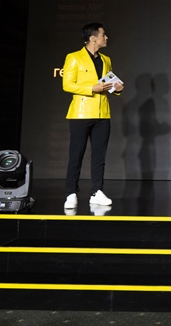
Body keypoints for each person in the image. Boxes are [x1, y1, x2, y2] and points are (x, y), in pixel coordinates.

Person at [62, 23, 124, 210]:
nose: (107, 38)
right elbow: (67, 84)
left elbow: (109, 83)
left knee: (99, 156)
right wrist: (91, 88)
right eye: (104, 35)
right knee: (76, 154)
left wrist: (117, 88)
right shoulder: (74, 57)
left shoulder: (106, 59)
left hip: (102, 113)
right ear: (93, 38)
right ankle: (71, 193)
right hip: (81, 113)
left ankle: (97, 191)